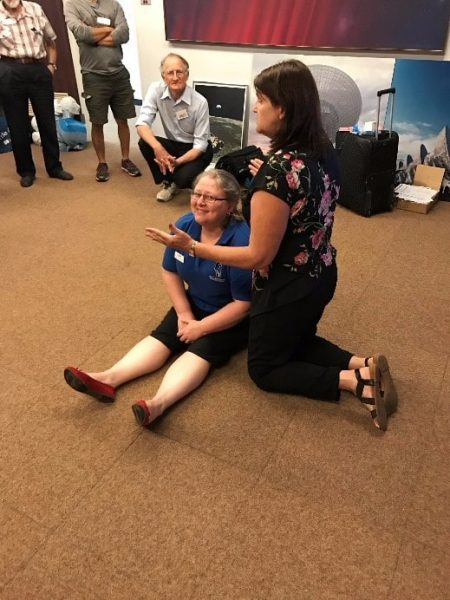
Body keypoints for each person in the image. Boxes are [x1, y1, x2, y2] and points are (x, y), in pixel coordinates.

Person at [146, 60, 399, 431]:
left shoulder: (278, 173)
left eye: (261, 99)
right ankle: (363, 363)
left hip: (286, 286)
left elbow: (257, 256)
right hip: (321, 272)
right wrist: (268, 176)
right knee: (294, 339)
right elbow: (302, 193)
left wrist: (194, 248)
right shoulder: (323, 149)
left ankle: (354, 382)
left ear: (282, 107)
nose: (254, 107)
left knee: (265, 368)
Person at [64, 169, 251, 426]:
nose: (200, 201)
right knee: (163, 337)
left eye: (210, 197)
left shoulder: (242, 240)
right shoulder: (185, 225)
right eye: (197, 194)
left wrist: (201, 327)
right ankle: (108, 379)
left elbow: (243, 304)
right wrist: (185, 313)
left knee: (200, 352)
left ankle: (158, 405)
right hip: (195, 300)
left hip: (232, 315)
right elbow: (170, 270)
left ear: (230, 205)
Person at [64, 0, 141, 183]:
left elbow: (124, 34)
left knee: (123, 119)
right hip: (93, 75)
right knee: (97, 122)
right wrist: (109, 28)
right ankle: (102, 162)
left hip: (119, 73)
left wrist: (94, 32)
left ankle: (125, 159)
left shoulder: (113, 4)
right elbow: (82, 33)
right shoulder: (72, 5)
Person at [0, 0, 73, 187]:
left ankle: (54, 167)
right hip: (10, 70)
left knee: (47, 121)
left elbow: (51, 39)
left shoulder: (35, 9)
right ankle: (26, 171)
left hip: (38, 69)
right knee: (18, 126)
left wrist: (51, 65)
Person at [136, 53, 213, 202]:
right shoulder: (155, 90)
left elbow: (200, 145)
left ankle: (185, 177)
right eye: (170, 73)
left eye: (180, 72)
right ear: (163, 76)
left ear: (187, 75)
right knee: (145, 142)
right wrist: (158, 148)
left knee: (182, 179)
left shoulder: (200, 102)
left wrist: (177, 162)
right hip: (174, 144)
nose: (175, 77)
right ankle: (168, 182)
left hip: (196, 149)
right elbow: (142, 123)